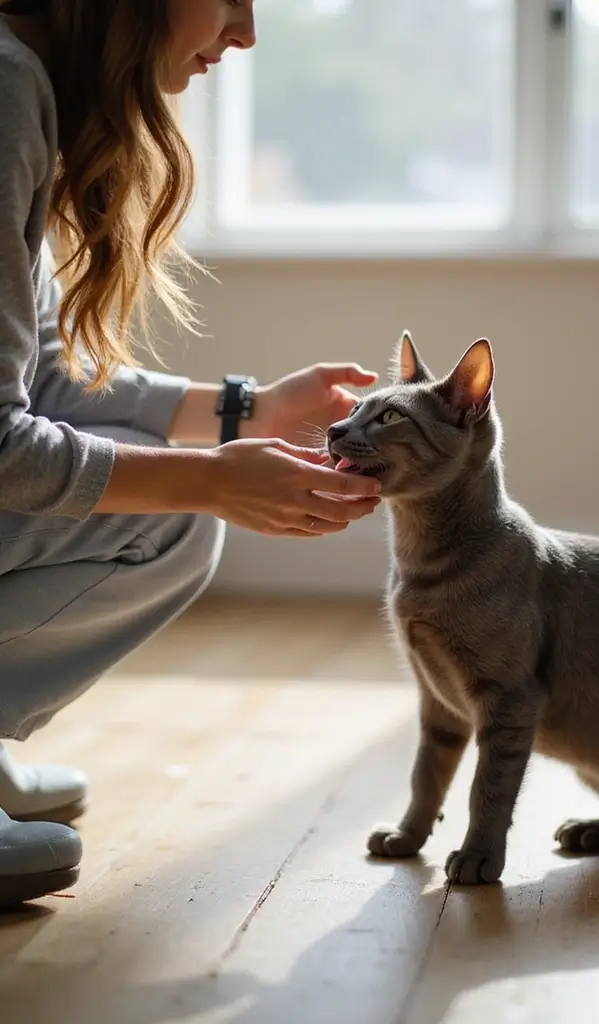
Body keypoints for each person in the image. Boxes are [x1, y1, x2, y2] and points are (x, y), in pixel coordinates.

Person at [0, 0, 383, 910]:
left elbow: (42, 383)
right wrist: (213, 480)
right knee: (172, 514)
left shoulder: (31, 76)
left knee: (166, 504)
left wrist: (248, 414)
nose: (246, 32)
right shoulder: (8, 87)